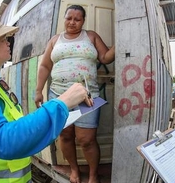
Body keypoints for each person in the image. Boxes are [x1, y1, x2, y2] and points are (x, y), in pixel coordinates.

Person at [0, 14, 92, 183]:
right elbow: (1, 140)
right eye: (3, 39)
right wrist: (61, 103)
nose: (9, 42)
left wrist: (58, 111)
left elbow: (14, 126)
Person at [34, 5, 115, 183]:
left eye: (77, 19)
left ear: (83, 21)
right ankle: (74, 170)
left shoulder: (91, 36)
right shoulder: (55, 40)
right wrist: (38, 91)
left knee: (87, 139)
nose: (72, 22)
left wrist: (122, 40)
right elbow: (45, 65)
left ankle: (93, 174)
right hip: (59, 96)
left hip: (88, 96)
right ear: (64, 18)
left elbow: (106, 58)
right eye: (69, 18)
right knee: (66, 135)